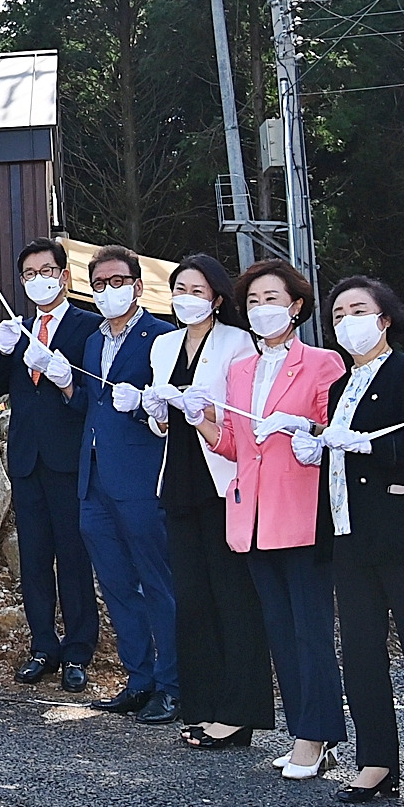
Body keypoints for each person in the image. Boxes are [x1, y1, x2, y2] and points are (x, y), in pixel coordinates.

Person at [310, 277, 404, 807]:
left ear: (385, 317)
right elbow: (336, 449)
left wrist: (370, 446)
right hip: (350, 535)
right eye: (338, 312)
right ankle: (376, 760)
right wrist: (316, 443)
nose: (346, 320)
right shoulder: (338, 386)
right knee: (361, 653)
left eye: (358, 309)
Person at [196, 258, 347, 781]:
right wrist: (204, 421)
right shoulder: (241, 370)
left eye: (273, 300)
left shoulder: (324, 363)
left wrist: (305, 428)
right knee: (280, 629)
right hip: (252, 515)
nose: (262, 310)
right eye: (254, 302)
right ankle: (303, 730)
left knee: (310, 628)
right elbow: (236, 445)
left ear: (297, 306)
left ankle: (317, 734)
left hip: (301, 511)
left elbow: (334, 429)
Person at [139, 254, 269, 749]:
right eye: (178, 289)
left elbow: (244, 414)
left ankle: (239, 712)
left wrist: (206, 409)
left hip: (224, 477)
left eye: (196, 289)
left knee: (232, 596)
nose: (185, 298)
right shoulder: (164, 345)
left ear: (216, 297)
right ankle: (203, 705)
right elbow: (163, 421)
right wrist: (157, 412)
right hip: (178, 478)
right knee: (191, 598)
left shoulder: (238, 343)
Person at [0, 239, 99, 691]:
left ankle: (78, 651)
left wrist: (63, 378)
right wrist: (3, 348)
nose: (38, 280)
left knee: (73, 558)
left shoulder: (88, 328)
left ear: (64, 276)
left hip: (69, 460)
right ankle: (42, 646)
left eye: (46, 271)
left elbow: (90, 399)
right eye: (29, 274)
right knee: (33, 560)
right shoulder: (19, 328)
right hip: (27, 460)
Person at [78, 245, 179, 724]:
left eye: (117, 282)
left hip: (140, 479)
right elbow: (90, 406)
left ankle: (172, 683)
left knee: (158, 583)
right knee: (117, 585)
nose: (108, 291)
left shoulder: (163, 338)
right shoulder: (93, 341)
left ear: (138, 286)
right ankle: (138, 679)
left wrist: (141, 403)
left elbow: (172, 408)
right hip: (93, 479)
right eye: (99, 284)